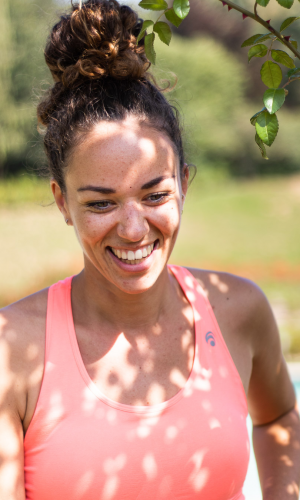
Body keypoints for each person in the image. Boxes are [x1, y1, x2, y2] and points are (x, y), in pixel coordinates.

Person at [0, 0, 299, 498]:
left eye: (155, 195)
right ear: (62, 201)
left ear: (184, 183)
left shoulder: (239, 310)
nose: (134, 230)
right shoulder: (12, 351)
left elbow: (279, 416)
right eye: (101, 203)